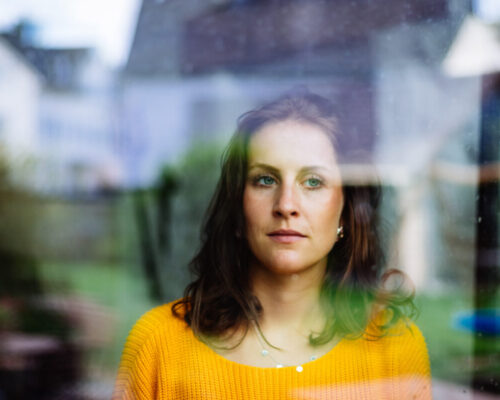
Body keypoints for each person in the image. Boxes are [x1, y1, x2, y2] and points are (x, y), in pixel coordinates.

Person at [113, 91, 432, 399]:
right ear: (238, 207)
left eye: (313, 182)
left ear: (346, 214)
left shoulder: (395, 348)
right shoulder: (157, 344)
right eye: (265, 179)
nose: (286, 205)